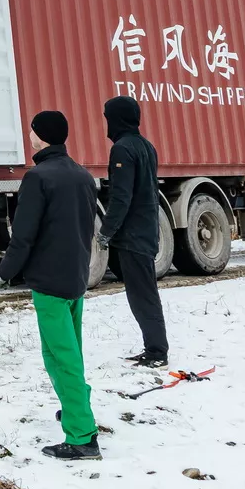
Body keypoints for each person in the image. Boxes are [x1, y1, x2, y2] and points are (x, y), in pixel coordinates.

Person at [0, 110, 102, 460]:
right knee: (71, 352)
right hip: (75, 277)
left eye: (31, 130)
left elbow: (23, 235)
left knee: (60, 356)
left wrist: (5, 272)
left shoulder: (38, 177)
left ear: (39, 136)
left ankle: (82, 436)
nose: (29, 135)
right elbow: (85, 227)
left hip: (50, 283)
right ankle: (75, 408)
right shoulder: (83, 176)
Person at [99, 94, 168, 368]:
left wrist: (106, 231)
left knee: (142, 295)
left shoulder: (122, 149)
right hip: (146, 229)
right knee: (145, 292)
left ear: (116, 119)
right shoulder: (146, 145)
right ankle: (154, 348)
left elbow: (121, 197)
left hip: (133, 235)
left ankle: (157, 352)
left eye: (108, 118)